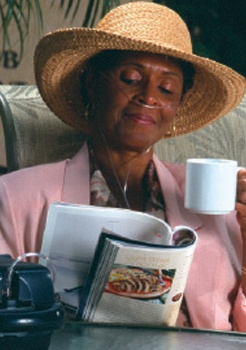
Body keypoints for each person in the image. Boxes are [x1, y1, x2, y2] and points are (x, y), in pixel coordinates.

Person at [0, 1, 245, 331]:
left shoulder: (220, 204)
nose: (148, 97)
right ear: (91, 82)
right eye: (130, 78)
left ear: (177, 105)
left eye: (167, 87)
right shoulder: (16, 197)